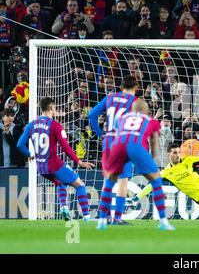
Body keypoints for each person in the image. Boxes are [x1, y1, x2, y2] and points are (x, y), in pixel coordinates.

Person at [97, 99, 174, 231]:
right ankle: (163, 222)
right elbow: (154, 143)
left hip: (117, 147)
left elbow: (114, 134)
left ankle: (102, 221)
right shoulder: (152, 121)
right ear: (146, 111)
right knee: (156, 181)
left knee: (109, 184)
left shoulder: (121, 119)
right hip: (136, 146)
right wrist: (152, 163)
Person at [16, 97, 95, 221]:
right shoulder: (55, 126)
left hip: (41, 168)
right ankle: (87, 216)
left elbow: (19, 144)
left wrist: (30, 154)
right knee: (80, 185)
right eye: (55, 109)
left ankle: (64, 207)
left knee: (60, 182)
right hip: (54, 164)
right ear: (52, 108)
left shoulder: (31, 125)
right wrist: (79, 161)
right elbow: (66, 148)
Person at [88, 75, 138, 225]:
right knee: (122, 181)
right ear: (135, 88)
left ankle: (105, 216)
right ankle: (117, 218)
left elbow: (91, 115)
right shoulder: (135, 102)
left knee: (108, 179)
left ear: (121, 86)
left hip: (108, 142)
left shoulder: (110, 98)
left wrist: (99, 133)